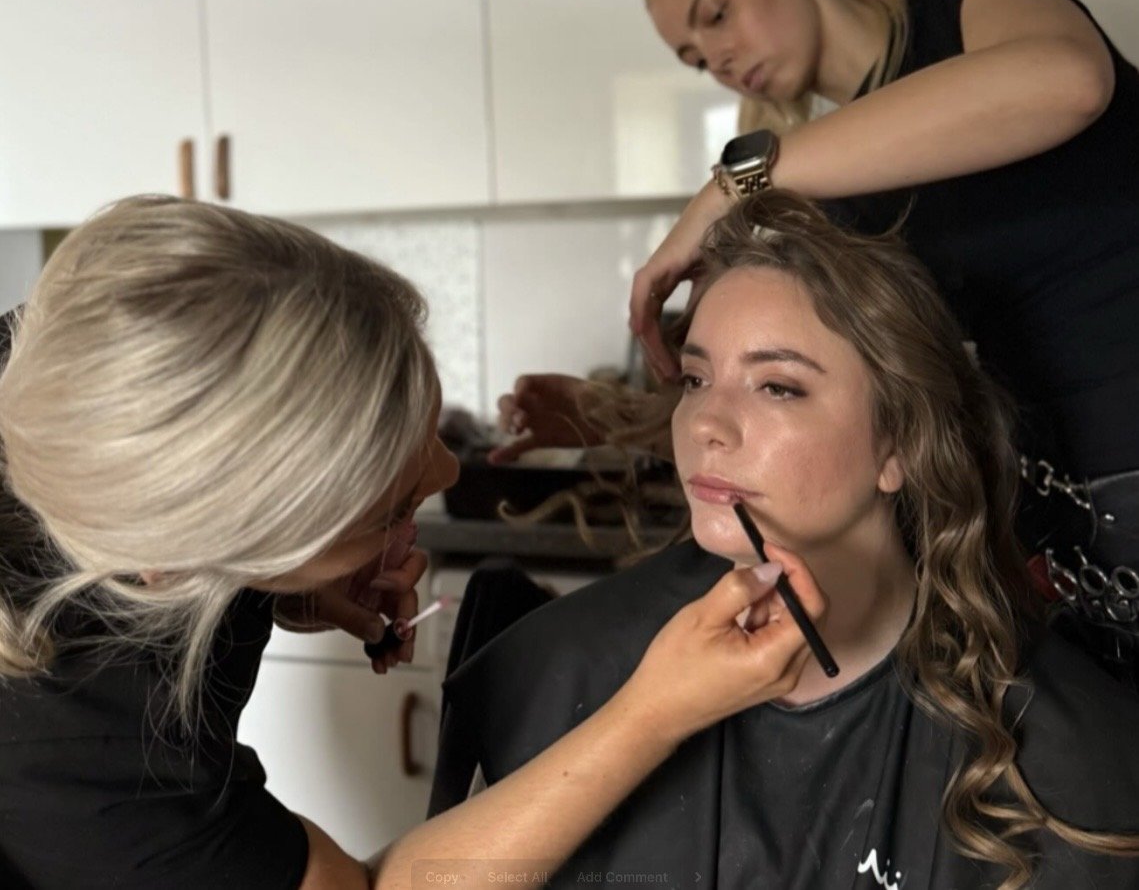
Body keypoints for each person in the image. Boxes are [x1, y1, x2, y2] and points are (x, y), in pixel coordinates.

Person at [0, 195, 824, 890]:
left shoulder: (95, 353)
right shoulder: (97, 770)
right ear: (205, 555)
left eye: (425, 426)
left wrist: (302, 584)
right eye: (390, 497)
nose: (439, 470)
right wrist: (653, 711)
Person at [495, 0, 1139, 675]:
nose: (718, 56)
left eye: (717, 13)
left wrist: (734, 180)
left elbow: (1066, 80)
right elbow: (821, 383)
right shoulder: (843, 194)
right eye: (696, 57)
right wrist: (602, 417)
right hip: (1076, 532)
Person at [440, 193, 1139, 890]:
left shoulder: (1071, 756)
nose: (706, 423)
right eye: (694, 378)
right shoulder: (552, 672)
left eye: (777, 387)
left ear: (897, 443)